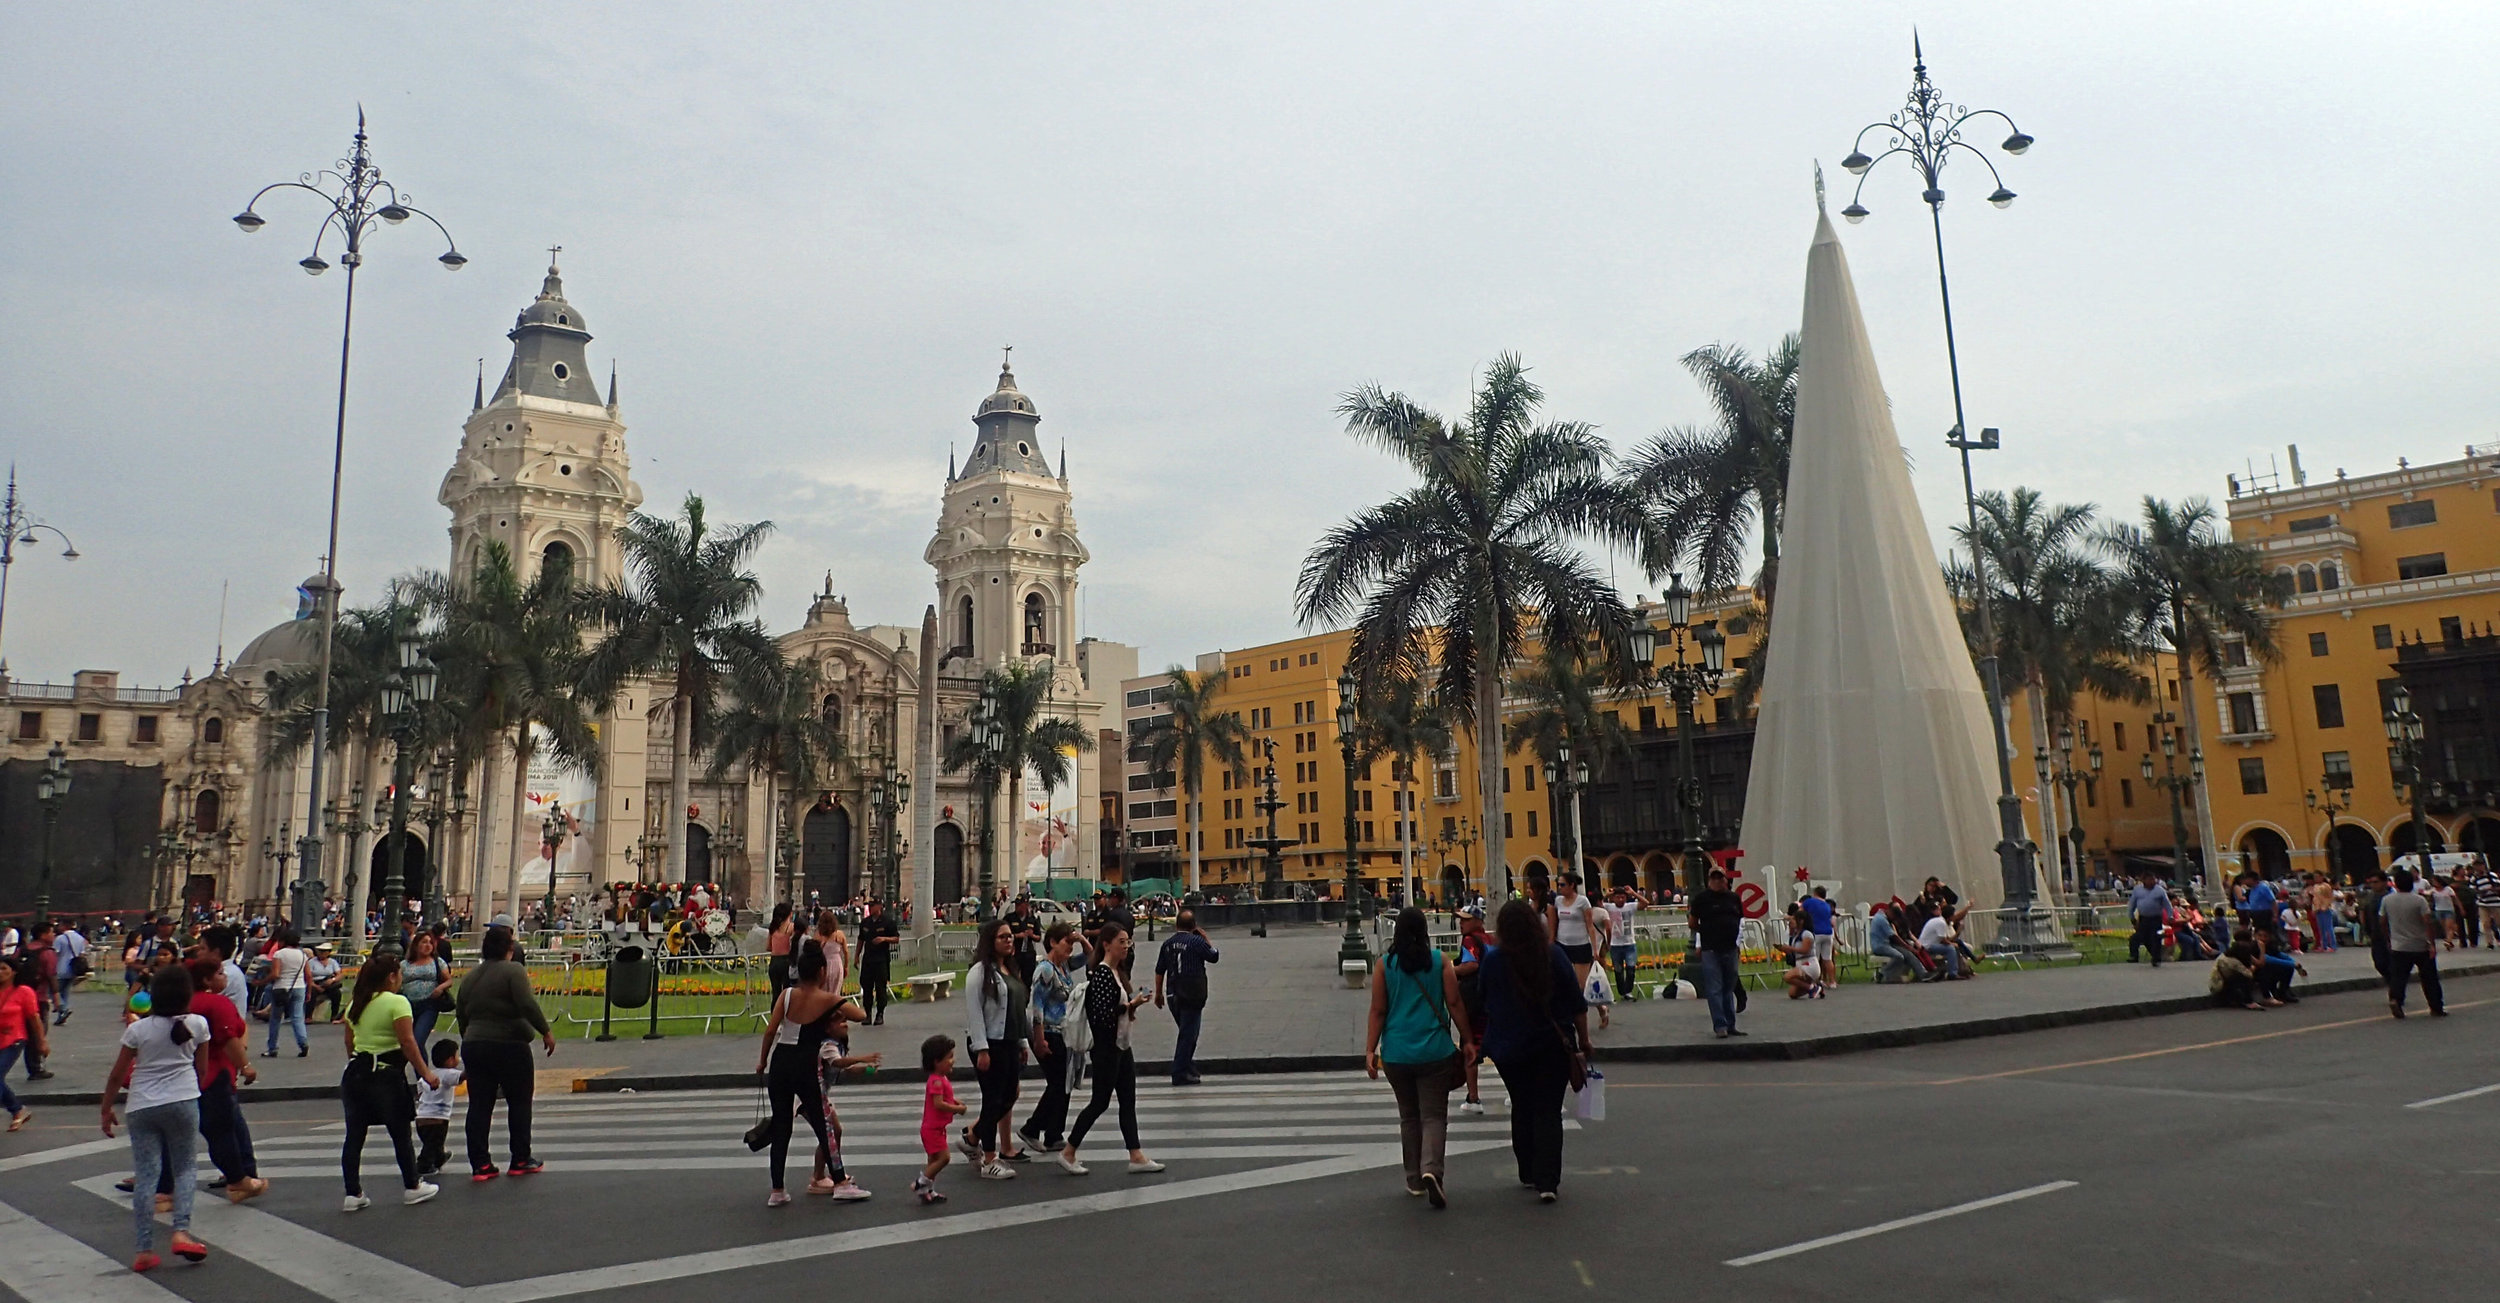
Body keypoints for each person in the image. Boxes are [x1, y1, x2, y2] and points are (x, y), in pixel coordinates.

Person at [101, 965, 212, 1272]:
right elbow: (201, 1070)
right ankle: (180, 1231)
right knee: (186, 1168)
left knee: (147, 1175)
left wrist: (106, 1109)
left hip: (141, 1106)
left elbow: (117, 1074)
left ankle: (144, 1249)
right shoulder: (198, 1024)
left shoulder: (138, 1029)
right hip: (183, 1100)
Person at [1477, 899, 1588, 1203]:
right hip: (1552, 1046)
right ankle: (1547, 1181)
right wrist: (1585, 1040)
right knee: (1548, 1110)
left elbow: (1482, 999)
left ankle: (1527, 1169)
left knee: (1522, 1105)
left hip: (1508, 1048)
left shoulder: (1494, 960)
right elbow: (1577, 1004)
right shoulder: (1553, 955)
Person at [1365, 906, 1473, 1208]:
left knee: (1409, 1117)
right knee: (1434, 1116)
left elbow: (1378, 1010)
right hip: (1434, 1051)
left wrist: (1370, 1050)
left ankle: (1413, 1178)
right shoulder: (1440, 961)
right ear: (1425, 932)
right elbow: (1453, 1002)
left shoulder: (1384, 965)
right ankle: (1431, 1170)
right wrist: (1467, 1040)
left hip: (1397, 1054)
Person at [336, 952, 440, 1212]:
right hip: (386, 1073)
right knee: (400, 1134)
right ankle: (412, 1186)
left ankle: (353, 1193)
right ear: (391, 977)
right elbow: (407, 1042)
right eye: (399, 975)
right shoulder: (397, 1003)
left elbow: (349, 1042)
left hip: (356, 1073)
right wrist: (425, 1073)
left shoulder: (356, 1003)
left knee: (354, 1136)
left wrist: (358, 1063)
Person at [453, 925, 556, 1180]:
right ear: (510, 948)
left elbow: (461, 1013)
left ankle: (480, 1163)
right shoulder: (513, 970)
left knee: (479, 1105)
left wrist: (468, 1040)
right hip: (509, 1043)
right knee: (519, 1102)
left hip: (475, 1044)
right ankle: (520, 1158)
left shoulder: (470, 976)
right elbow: (526, 1003)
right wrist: (545, 1030)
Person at [1059, 925, 1162, 1176]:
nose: (1126, 946)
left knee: (1128, 1099)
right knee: (1100, 1102)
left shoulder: (1117, 972)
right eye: (1121, 942)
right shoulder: (1102, 974)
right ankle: (1068, 1151)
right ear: (1106, 944)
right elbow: (1102, 1016)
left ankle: (1135, 1155)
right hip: (1107, 1048)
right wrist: (1130, 1005)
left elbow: (1117, 1011)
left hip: (1121, 1045)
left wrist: (1132, 1007)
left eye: (1128, 942)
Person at [755, 943, 850, 1206]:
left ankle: (777, 1190)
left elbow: (770, 1031)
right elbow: (860, 1013)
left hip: (781, 1061)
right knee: (824, 1125)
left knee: (781, 1127)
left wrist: (762, 1061)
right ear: (822, 971)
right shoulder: (826, 999)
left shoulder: (786, 995)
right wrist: (835, 1008)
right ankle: (840, 1180)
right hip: (805, 1064)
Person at [183, 957, 266, 1202]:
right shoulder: (216, 1004)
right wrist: (246, 1066)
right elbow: (229, 1038)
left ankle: (163, 1186)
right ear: (206, 979)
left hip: (181, 1078)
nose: (224, 977)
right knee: (221, 1131)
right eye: (219, 973)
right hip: (214, 1074)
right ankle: (237, 1179)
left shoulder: (180, 1004)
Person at [959, 919, 1030, 1177]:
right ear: (991, 941)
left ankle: (973, 1135)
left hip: (1010, 1041)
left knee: (1010, 1095)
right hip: (989, 1042)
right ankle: (989, 1159)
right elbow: (974, 1013)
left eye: (1010, 936)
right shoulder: (979, 972)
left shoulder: (1010, 969)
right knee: (993, 1100)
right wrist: (982, 1049)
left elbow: (1017, 1011)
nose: (1009, 940)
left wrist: (1022, 1041)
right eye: (1002, 937)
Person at [1019, 922, 1085, 1156]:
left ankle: (1054, 1133)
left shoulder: (1064, 966)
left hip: (1063, 1031)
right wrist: (1038, 1039)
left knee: (1063, 1084)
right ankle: (1032, 1127)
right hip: (1048, 1031)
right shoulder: (1045, 969)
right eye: (1066, 942)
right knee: (1058, 1084)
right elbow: (1036, 1006)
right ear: (1053, 942)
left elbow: (1090, 958)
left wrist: (1081, 939)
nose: (1070, 946)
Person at [1153, 909, 1219, 1085]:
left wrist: (1158, 993)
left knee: (1186, 1032)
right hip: (1191, 994)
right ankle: (1179, 1072)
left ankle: (1189, 1067)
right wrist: (1205, 938)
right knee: (1189, 1035)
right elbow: (1214, 956)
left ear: (1176, 925)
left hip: (1172, 994)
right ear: (1194, 926)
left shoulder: (1167, 944)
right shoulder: (1197, 942)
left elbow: (1160, 970)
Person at [2381, 869, 2447, 1019]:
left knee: (2399, 977)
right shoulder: (2419, 900)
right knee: (2429, 978)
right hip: (2420, 945)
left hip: (2399, 945)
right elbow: (2427, 922)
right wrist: (2432, 943)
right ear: (2411, 883)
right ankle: (2436, 1007)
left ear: (2396, 884)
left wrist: (2389, 938)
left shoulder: (2387, 900)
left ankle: (2395, 999)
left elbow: (2382, 921)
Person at [1687, 868, 1744, 1037]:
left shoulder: (1734, 898)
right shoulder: (1702, 899)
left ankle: (1731, 1024)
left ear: (1726, 880)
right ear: (1709, 880)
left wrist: (1737, 942)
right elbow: (1692, 922)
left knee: (1729, 987)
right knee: (1714, 989)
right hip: (1710, 949)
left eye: (1720, 878)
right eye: (1714, 879)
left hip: (1730, 947)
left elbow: (1739, 920)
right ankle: (1720, 1025)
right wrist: (1705, 932)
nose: (1717, 882)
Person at [916, 1035, 966, 1204]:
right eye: (949, 1057)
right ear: (937, 1061)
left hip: (935, 1128)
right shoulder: (936, 1081)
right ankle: (921, 1183)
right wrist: (958, 1109)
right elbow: (939, 1104)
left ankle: (927, 1190)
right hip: (932, 1129)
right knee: (944, 1159)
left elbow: (944, 1099)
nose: (953, 1061)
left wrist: (955, 1101)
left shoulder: (941, 1079)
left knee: (933, 1161)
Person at [1453, 907, 1493, 1112]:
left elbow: (1471, 966)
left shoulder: (1469, 941)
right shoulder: (1489, 940)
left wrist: (1451, 970)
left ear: (1478, 921)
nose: (1462, 923)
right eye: (1460, 919)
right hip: (1491, 1001)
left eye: (1466, 920)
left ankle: (1473, 1098)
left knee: (1470, 1046)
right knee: (1494, 1046)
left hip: (1473, 1002)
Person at [0, 956, 47, 1131]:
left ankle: (17, 1109)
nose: (0, 972)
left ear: (14, 971)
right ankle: (18, 1109)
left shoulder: (23, 991)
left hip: (14, 1040)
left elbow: (34, 1018)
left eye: (4, 968)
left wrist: (41, 1042)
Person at [260, 927, 311, 1057]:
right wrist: (309, 991)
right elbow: (308, 975)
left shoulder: (280, 954)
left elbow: (276, 974)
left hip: (281, 988)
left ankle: (272, 1047)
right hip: (299, 987)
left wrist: (263, 981)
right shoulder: (302, 955)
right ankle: (303, 1042)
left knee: (275, 1019)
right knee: (298, 1017)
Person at [399, 931, 454, 1050]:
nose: (428, 945)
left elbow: (449, 980)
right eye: (424, 942)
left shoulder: (437, 962)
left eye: (430, 942)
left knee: (418, 1040)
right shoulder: (404, 964)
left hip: (428, 1005)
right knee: (408, 1042)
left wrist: (440, 988)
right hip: (408, 1005)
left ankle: (421, 1068)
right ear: (416, 945)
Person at [414, 1040, 462, 1177]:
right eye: (456, 1056)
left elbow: (420, 1092)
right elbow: (462, 1077)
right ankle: (423, 1165)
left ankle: (439, 1158)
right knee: (433, 1143)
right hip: (437, 1119)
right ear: (450, 1060)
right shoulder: (448, 1074)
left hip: (421, 1118)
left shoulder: (428, 1075)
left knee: (433, 1142)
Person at [856, 899, 900, 1024]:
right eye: (869, 906)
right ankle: (868, 1014)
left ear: (879, 906)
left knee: (881, 987)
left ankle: (880, 1013)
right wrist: (856, 956)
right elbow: (861, 940)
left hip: (881, 959)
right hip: (868, 959)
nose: (870, 908)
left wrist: (884, 939)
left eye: (872, 906)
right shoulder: (865, 922)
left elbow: (896, 938)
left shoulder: (887, 922)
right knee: (867, 987)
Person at [2127, 872, 2170, 966]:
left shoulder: (2159, 890)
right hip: (2144, 919)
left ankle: (2156, 958)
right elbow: (2132, 904)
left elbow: (2167, 905)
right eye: (2150, 879)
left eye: (2153, 879)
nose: (2152, 881)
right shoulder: (2137, 891)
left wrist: (2170, 916)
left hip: (2156, 918)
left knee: (2155, 938)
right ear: (2144, 881)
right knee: (2138, 938)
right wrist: (2131, 917)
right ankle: (2134, 956)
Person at [1604, 891, 1639, 1001]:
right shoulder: (1609, 907)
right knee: (1618, 970)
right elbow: (1596, 903)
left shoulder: (1630, 907)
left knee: (1631, 969)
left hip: (1629, 943)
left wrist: (1633, 893)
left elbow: (1646, 903)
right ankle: (1622, 991)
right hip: (1615, 944)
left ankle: (1628, 991)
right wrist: (1608, 895)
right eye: (1618, 897)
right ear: (1613, 898)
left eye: (1623, 897)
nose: (1620, 900)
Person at [1869, 905, 1918, 984]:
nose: (1893, 920)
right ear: (1890, 913)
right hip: (1880, 946)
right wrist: (1907, 947)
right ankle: (1882, 973)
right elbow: (1894, 936)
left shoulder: (1880, 916)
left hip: (1884, 944)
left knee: (1906, 953)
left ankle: (1895, 975)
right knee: (1899, 956)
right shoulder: (1882, 920)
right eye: (1894, 918)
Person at [52, 919, 88, 1024]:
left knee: (54, 992)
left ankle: (63, 1009)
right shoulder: (80, 938)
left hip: (61, 968)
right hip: (74, 969)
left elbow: (55, 953)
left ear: (64, 926)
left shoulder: (60, 938)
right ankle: (62, 1014)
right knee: (66, 992)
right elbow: (82, 953)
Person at [1800, 886, 1837, 987]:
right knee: (1827, 959)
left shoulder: (1809, 902)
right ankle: (1833, 981)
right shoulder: (1826, 905)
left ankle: (1814, 981)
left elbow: (1800, 912)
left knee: (1814, 959)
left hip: (1816, 932)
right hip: (1828, 933)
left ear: (1815, 893)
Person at [1917, 909, 1965, 979]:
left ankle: (1961, 970)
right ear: (1949, 917)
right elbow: (1944, 941)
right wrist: (1953, 942)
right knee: (1950, 949)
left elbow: (1947, 939)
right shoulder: (1941, 923)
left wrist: (1957, 935)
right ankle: (1952, 973)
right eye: (1953, 916)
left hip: (1930, 944)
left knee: (1954, 946)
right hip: (1927, 946)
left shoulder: (1940, 921)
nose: (1955, 917)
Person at [764, 902, 797, 999]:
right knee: (787, 993)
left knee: (776, 993)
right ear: (790, 914)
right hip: (786, 960)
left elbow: (768, 947)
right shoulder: (791, 927)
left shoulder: (773, 928)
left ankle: (775, 1012)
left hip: (774, 961)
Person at [2305, 875, 2339, 952]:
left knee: (2328, 928)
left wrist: (2325, 906)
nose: (2316, 879)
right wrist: (2314, 909)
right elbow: (2315, 899)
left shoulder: (2326, 886)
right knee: (2321, 928)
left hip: (2325, 909)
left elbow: (2329, 897)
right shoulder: (2315, 886)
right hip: (2317, 909)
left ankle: (2332, 945)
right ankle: (2324, 945)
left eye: (2317, 877)